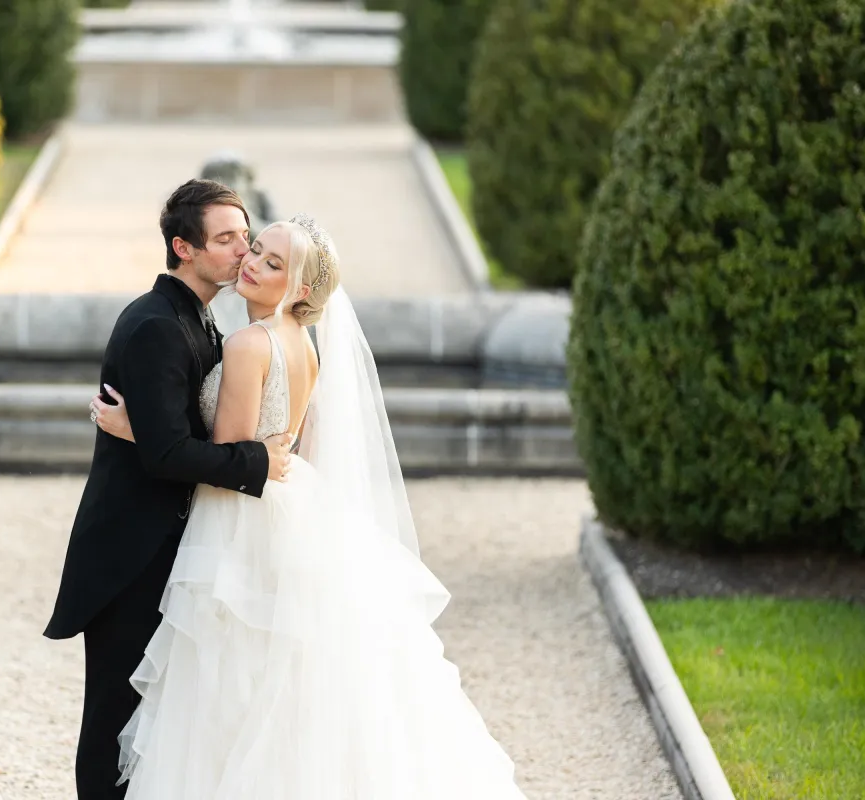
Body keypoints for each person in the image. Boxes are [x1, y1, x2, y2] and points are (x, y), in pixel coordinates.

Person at [89, 213, 530, 799]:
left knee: (231, 684)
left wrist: (140, 430)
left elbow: (225, 454)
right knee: (291, 684)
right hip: (293, 505)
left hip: (240, 520)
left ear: (299, 289)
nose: (251, 262)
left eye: (272, 262)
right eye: (255, 249)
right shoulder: (305, 346)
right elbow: (297, 446)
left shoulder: (249, 343)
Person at [43, 178, 295, 800]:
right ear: (184, 248)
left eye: (246, 236)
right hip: (129, 557)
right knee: (113, 720)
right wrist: (256, 462)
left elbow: (170, 432)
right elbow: (165, 457)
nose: (243, 251)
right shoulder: (157, 325)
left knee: (154, 722)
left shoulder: (203, 320)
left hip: (168, 548)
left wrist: (144, 432)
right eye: (227, 239)